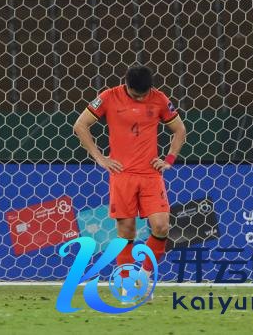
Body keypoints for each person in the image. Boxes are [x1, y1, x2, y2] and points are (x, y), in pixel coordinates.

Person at [73, 65, 186, 299]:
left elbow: (179, 129)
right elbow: (80, 125)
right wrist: (100, 158)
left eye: (145, 94)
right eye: (136, 95)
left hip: (150, 175)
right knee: (126, 231)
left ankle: (143, 278)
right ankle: (126, 283)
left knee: (162, 226)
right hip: (122, 175)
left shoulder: (159, 99)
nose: (142, 98)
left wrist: (169, 159)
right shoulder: (108, 97)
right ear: (126, 85)